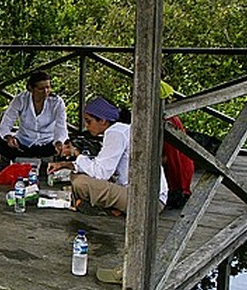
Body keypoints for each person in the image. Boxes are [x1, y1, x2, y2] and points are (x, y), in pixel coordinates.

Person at [46, 96, 167, 216]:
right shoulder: (121, 129)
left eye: (89, 121)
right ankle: (111, 209)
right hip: (145, 195)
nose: (87, 126)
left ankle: (105, 209)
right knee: (78, 177)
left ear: (103, 120)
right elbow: (101, 164)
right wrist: (64, 165)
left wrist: (76, 154)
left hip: (147, 201)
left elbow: (101, 172)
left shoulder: (116, 133)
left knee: (80, 183)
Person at [0, 70, 69, 164]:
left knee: (66, 148)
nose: (46, 92)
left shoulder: (57, 102)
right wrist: (9, 137)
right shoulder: (20, 99)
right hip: (23, 143)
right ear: (31, 88)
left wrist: (59, 142)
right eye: (41, 88)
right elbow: (6, 122)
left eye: (48, 87)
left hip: (47, 143)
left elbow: (61, 127)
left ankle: (36, 160)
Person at [160, 81, 194, 209]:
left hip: (177, 174)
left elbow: (169, 156)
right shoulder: (173, 117)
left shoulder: (169, 121)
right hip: (183, 166)